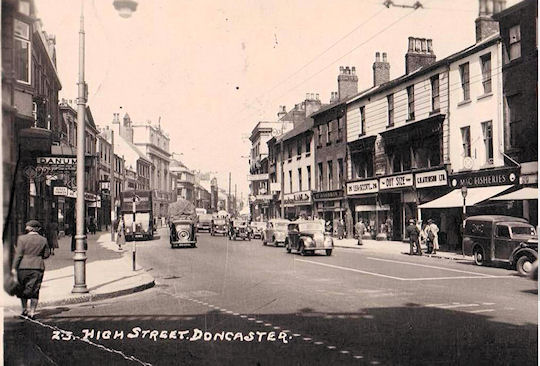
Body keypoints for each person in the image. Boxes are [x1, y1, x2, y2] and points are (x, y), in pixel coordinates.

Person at [12, 220, 51, 319]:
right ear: (37, 229)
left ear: (28, 229)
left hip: (23, 267)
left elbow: (18, 255)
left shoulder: (21, 239)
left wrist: (13, 268)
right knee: (35, 290)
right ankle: (32, 312)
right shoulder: (43, 240)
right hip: (37, 267)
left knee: (22, 289)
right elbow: (46, 255)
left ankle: (24, 310)